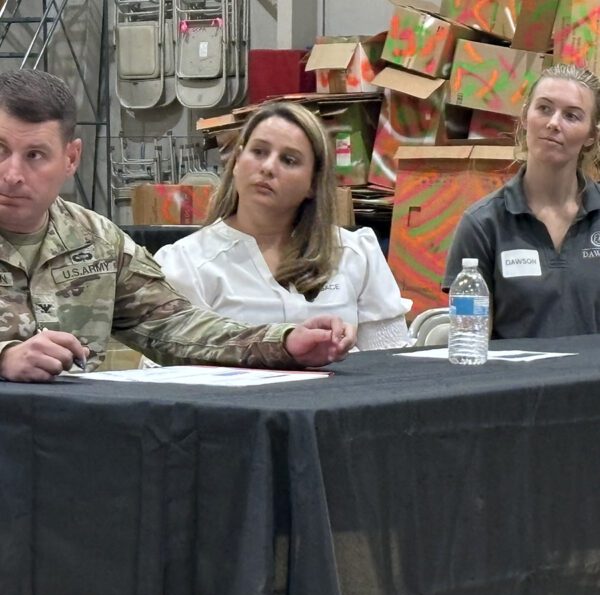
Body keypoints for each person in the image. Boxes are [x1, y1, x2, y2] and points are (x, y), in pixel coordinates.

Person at [0, 69, 356, 382]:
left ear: (71, 158)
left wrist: (284, 342)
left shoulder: (96, 242)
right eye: (0, 150)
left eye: (35, 155)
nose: (12, 175)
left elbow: (176, 327)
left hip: (60, 445)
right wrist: (5, 358)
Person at [155, 102, 413, 350]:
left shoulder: (354, 254)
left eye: (289, 160)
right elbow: (163, 377)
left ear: (313, 184)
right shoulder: (187, 264)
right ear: (235, 162)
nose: (267, 167)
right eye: (258, 152)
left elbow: (389, 366)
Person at [443, 63, 600, 339]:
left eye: (572, 116)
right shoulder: (483, 224)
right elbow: (469, 341)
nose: (553, 123)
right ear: (525, 116)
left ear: (591, 136)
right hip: (517, 382)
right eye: (544, 108)